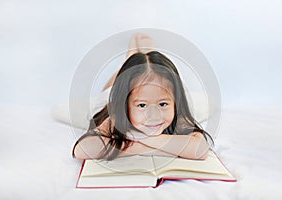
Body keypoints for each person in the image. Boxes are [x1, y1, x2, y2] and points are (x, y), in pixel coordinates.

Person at [72, 33, 213, 160]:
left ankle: (146, 55)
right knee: (109, 91)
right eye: (142, 105)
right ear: (125, 107)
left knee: (153, 78)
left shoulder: (177, 116)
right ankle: (130, 55)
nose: (153, 116)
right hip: (107, 101)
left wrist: (141, 139)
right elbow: (82, 150)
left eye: (163, 104)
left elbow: (200, 150)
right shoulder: (116, 118)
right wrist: (158, 147)